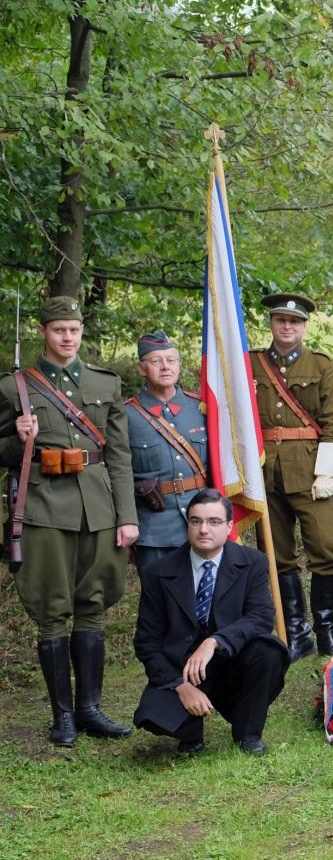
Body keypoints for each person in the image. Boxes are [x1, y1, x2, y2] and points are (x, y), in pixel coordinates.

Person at [0, 296, 138, 746]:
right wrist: (16, 440)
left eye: (74, 330)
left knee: (92, 606)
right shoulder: (14, 388)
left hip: (97, 508)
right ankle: (63, 716)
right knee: (52, 610)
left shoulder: (105, 382)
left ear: (81, 333)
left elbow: (119, 454)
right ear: (44, 331)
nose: (67, 337)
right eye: (59, 330)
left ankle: (90, 709)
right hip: (43, 509)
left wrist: (127, 516)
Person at [132, 489, 289, 755]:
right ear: (188, 524)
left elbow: (261, 617)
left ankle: (247, 733)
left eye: (214, 521)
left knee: (269, 651)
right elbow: (147, 642)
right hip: (182, 669)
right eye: (196, 521)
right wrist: (180, 687)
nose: (204, 529)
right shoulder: (157, 573)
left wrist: (214, 642)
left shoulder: (253, 562)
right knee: (154, 717)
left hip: (232, 662)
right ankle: (190, 733)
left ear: (229, 526)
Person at [249, 293, 333, 661]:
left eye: (294, 321)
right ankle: (295, 632)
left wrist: (327, 471)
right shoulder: (252, 363)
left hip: (310, 470)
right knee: (276, 554)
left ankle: (326, 630)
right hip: (264, 470)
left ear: (304, 326)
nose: (287, 326)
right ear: (272, 324)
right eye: (280, 320)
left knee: (325, 548)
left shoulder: (320, 365)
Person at [125, 330, 208, 570]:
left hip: (201, 521)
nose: (165, 367)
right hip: (155, 524)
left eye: (171, 360)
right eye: (156, 361)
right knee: (157, 600)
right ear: (142, 368)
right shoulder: (126, 415)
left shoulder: (200, 407)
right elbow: (118, 474)